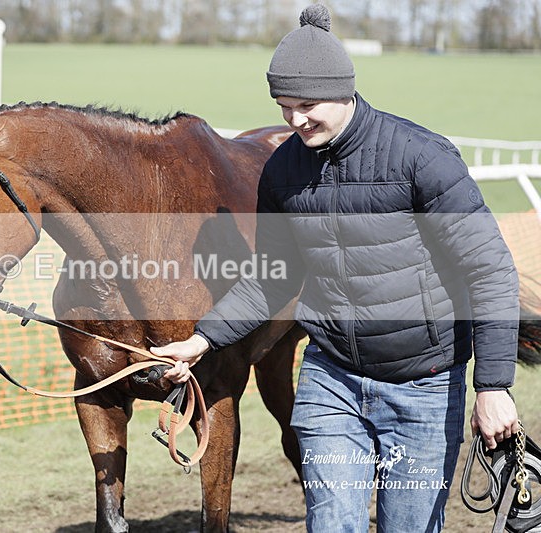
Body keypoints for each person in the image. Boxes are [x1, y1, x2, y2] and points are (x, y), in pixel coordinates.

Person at [151, 4, 520, 532]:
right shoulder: (282, 170)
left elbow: (489, 270)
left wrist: (493, 386)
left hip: (424, 386)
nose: (295, 120)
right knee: (331, 524)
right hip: (332, 382)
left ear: (344, 91)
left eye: (307, 104)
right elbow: (271, 274)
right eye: (283, 106)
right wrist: (202, 339)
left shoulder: (422, 158)